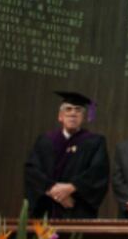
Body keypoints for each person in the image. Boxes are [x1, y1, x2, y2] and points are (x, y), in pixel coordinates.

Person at [24, 91, 109, 219]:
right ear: (60, 116)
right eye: (68, 109)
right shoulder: (45, 140)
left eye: (78, 110)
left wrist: (72, 187)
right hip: (46, 209)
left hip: (77, 208)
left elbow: (98, 172)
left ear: (83, 117)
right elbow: (32, 171)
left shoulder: (95, 142)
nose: (73, 113)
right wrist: (54, 191)